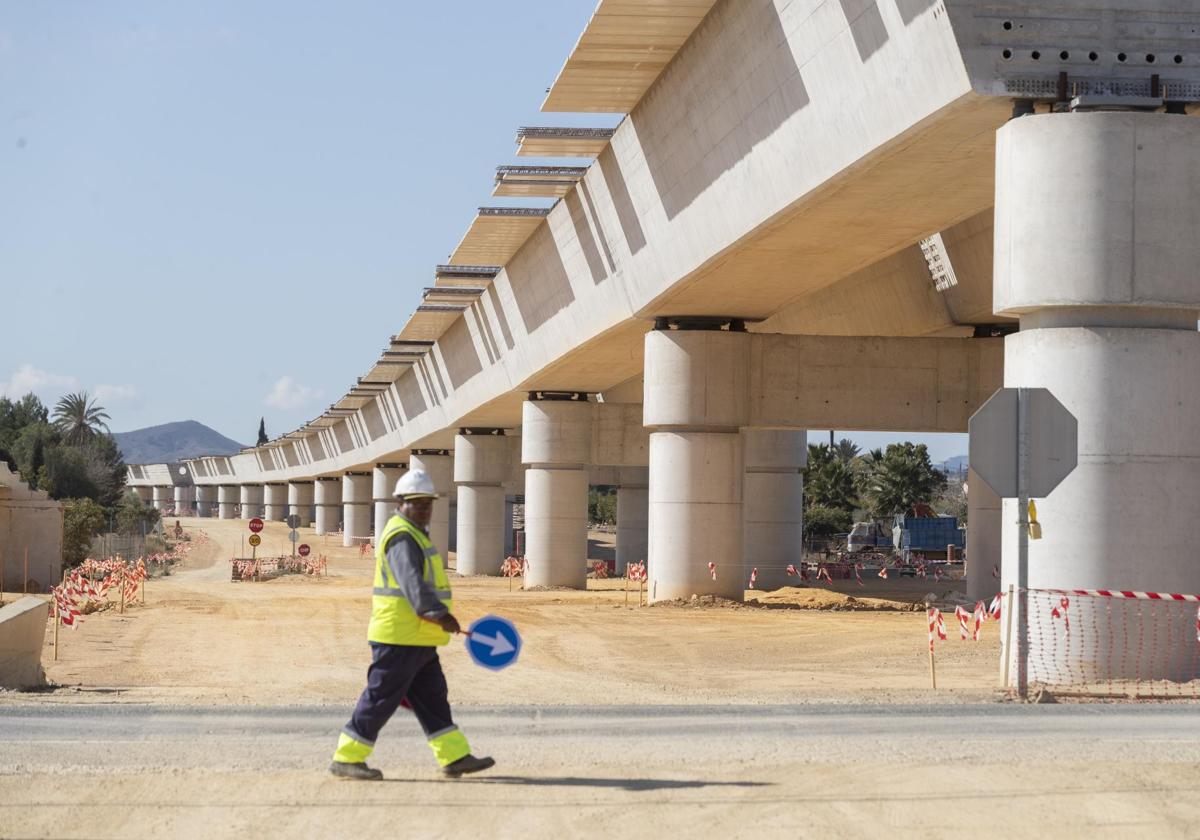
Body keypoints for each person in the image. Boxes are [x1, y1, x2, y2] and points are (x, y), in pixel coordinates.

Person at [329, 469, 494, 781]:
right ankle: (347, 757)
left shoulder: (415, 534)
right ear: (400, 502)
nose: (424, 509)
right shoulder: (402, 537)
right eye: (417, 503)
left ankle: (454, 756)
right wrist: (439, 614)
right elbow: (413, 585)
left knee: (433, 698)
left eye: (427, 503)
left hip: (417, 638)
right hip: (399, 637)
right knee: (380, 698)